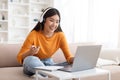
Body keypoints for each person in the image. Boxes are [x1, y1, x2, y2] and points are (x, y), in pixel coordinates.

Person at [17, 7, 74, 77]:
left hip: (49, 64)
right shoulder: (34, 34)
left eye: (57, 22)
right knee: (29, 59)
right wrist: (30, 52)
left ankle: (44, 75)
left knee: (73, 65)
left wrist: (74, 60)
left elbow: (68, 57)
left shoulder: (60, 35)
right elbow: (19, 57)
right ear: (43, 20)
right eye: (51, 20)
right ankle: (48, 74)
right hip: (33, 64)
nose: (54, 24)